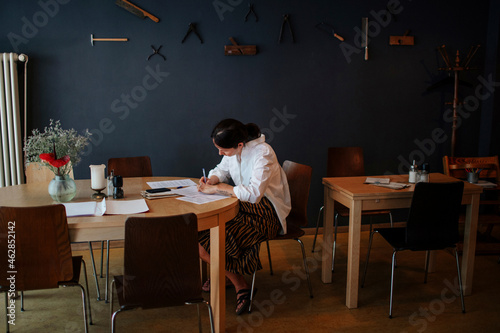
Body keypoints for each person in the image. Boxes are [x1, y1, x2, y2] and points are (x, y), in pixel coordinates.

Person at [197, 118, 291, 315]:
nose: (220, 153)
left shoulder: (263, 153)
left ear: (239, 144)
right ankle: (227, 273)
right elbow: (222, 169)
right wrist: (212, 179)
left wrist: (221, 189)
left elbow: (255, 194)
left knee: (216, 233)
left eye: (223, 150)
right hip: (243, 206)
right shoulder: (234, 149)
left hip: (267, 212)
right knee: (203, 232)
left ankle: (240, 285)